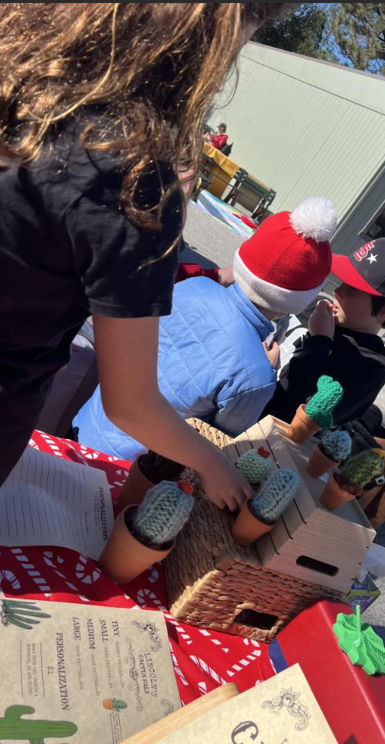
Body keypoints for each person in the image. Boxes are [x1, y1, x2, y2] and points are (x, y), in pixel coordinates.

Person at [0, 2, 296, 511]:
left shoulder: (20, 79)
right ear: (209, 35)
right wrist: (212, 462)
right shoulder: (135, 184)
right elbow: (131, 402)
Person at [73, 196, 337, 460]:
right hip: (126, 469)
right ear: (299, 300)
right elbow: (218, 443)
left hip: (86, 424)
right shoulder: (258, 376)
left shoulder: (194, 286)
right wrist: (267, 368)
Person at [263, 238, 385, 427]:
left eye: (353, 289)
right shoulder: (316, 309)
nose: (338, 291)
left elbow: (305, 420)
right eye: (343, 281)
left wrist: (319, 343)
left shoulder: (370, 366)